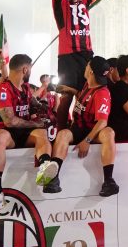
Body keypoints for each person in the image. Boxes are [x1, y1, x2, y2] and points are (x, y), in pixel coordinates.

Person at [44, 56, 118, 196]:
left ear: (91, 71)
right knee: (63, 134)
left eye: (87, 65)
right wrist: (69, 90)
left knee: (109, 132)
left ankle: (109, 181)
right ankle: (52, 178)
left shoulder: (102, 93)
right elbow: (83, 97)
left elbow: (102, 122)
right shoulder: (88, 85)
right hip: (77, 128)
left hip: (93, 132)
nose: (85, 67)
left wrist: (87, 141)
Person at [0, 54, 52, 212]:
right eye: (30, 69)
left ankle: (45, 169)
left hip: (24, 132)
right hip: (7, 132)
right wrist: (35, 123)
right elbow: (10, 121)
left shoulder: (26, 89)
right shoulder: (2, 90)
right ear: (25, 69)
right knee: (0, 137)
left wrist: (42, 110)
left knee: (41, 133)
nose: (31, 72)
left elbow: (34, 105)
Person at [52, 0, 100, 88]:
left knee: (87, 89)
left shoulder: (84, 1)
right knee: (67, 93)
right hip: (68, 55)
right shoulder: (60, 3)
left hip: (86, 52)